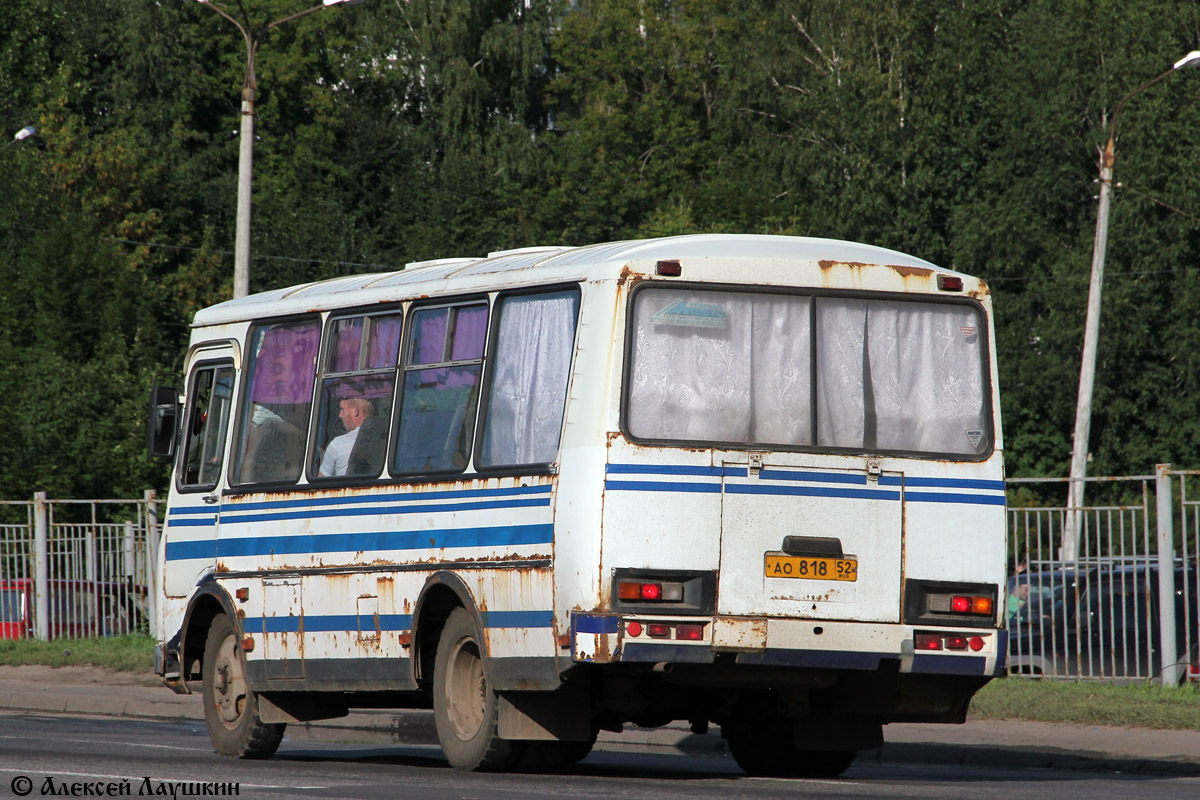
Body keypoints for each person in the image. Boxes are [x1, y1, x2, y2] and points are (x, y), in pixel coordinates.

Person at [319, 397, 373, 477]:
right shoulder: (386, 441)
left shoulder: (337, 444)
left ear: (355, 411)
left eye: (342, 409)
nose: (340, 415)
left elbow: (320, 483)